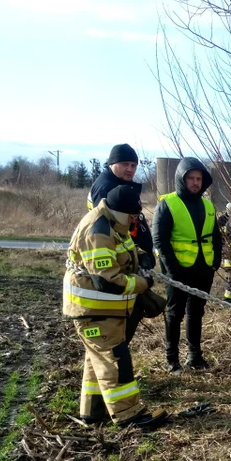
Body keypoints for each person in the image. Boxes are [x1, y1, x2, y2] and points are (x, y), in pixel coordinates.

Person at [63, 185, 168, 430]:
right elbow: (107, 281)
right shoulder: (97, 230)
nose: (134, 220)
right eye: (131, 216)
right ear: (120, 212)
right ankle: (129, 415)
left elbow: (118, 256)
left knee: (97, 359)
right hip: (94, 311)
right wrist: (143, 283)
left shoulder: (110, 223)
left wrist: (140, 258)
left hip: (100, 311)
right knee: (115, 360)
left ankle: (92, 411)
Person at [153, 157, 223, 373]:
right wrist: (172, 269)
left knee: (196, 313)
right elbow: (160, 241)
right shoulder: (167, 204)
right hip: (177, 271)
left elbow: (215, 236)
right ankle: (172, 359)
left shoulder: (208, 206)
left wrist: (215, 262)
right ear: (181, 179)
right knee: (175, 314)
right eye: (191, 178)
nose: (195, 182)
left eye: (199, 178)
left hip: (204, 270)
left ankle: (195, 356)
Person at [88, 144, 154, 344]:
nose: (130, 169)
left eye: (134, 165)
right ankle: (118, 365)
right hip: (117, 264)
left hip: (125, 258)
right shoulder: (108, 189)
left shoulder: (117, 185)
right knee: (117, 331)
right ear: (112, 164)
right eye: (125, 164)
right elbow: (115, 231)